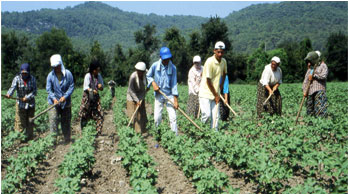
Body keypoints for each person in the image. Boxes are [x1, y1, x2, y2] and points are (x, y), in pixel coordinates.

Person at [146, 46, 179, 135]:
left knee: (173, 118)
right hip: (159, 95)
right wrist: (153, 83)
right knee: (157, 118)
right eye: (165, 59)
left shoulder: (173, 68)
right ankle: (158, 135)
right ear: (160, 57)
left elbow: (174, 84)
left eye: (168, 59)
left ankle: (175, 137)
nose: (167, 61)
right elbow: (148, 76)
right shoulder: (155, 65)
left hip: (169, 95)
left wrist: (175, 100)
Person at [199, 41, 227, 129]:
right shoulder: (209, 62)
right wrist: (216, 95)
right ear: (214, 51)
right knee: (206, 115)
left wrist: (221, 86)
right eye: (218, 52)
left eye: (222, 52)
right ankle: (201, 131)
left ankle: (214, 135)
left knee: (216, 116)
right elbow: (208, 80)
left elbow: (224, 73)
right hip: (206, 93)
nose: (220, 54)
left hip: (216, 93)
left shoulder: (223, 61)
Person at [46, 54, 74, 144]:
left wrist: (65, 97)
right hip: (53, 102)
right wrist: (54, 98)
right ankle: (53, 140)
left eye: (57, 66)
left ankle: (67, 139)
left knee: (66, 121)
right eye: (54, 66)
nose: (56, 68)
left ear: (60, 64)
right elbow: (49, 89)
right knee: (53, 119)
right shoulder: (50, 76)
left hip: (66, 102)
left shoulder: (68, 74)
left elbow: (71, 86)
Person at [6, 63, 37, 141]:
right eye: (23, 73)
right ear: (20, 72)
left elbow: (35, 91)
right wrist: (9, 94)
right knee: (20, 122)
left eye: (26, 73)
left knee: (30, 122)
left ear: (29, 72)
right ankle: (21, 140)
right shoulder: (17, 78)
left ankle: (30, 140)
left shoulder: (32, 79)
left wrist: (27, 97)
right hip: (20, 104)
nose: (24, 75)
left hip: (30, 104)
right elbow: (12, 87)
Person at [79, 60, 104, 135]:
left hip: (95, 97)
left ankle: (98, 132)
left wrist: (100, 87)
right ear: (94, 70)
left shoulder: (99, 76)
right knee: (84, 113)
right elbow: (86, 87)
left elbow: (102, 88)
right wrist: (92, 90)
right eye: (97, 69)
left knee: (99, 113)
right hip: (87, 97)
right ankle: (84, 132)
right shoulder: (88, 76)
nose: (98, 71)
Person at [302, 51, 328, 117]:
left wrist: (314, 75)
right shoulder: (310, 69)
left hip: (319, 90)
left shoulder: (323, 66)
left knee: (320, 109)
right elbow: (306, 80)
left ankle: (320, 124)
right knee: (310, 110)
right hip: (310, 91)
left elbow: (323, 76)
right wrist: (304, 91)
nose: (309, 63)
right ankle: (311, 124)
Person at [126, 62, 148, 134]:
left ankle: (142, 131)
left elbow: (151, 81)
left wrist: (148, 87)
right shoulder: (133, 77)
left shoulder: (147, 74)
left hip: (141, 95)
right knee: (133, 114)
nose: (139, 73)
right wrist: (136, 100)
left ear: (143, 71)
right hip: (131, 96)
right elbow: (131, 91)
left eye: (140, 72)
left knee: (141, 113)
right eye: (137, 71)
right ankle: (133, 132)